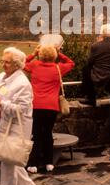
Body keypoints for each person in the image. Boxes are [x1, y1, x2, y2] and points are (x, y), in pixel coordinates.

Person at [0, 47, 37, 185]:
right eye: (3, 61)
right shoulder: (2, 77)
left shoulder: (23, 84)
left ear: (17, 65)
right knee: (8, 157)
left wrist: (1, 103)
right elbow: (1, 93)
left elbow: (22, 109)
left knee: (7, 164)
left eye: (7, 62)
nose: (3, 64)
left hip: (17, 128)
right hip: (4, 125)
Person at [24, 44, 74, 173]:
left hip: (36, 105)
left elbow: (22, 63)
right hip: (52, 106)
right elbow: (71, 63)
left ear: (41, 55)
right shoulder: (58, 68)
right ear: (54, 56)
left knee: (36, 134)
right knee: (47, 133)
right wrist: (59, 53)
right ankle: (49, 162)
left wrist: (33, 54)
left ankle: (33, 163)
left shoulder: (34, 66)